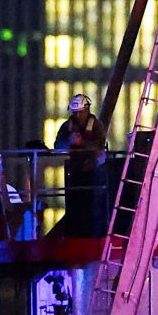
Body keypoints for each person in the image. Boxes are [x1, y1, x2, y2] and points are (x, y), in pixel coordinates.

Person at [54, 94, 108, 236]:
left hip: (95, 171)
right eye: (75, 112)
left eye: (80, 112)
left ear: (87, 110)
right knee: (75, 204)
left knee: (95, 205)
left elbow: (100, 145)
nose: (78, 116)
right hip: (76, 171)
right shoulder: (67, 126)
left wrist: (82, 143)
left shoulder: (96, 125)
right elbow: (57, 146)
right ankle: (75, 234)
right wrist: (68, 143)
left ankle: (95, 235)